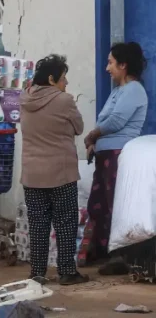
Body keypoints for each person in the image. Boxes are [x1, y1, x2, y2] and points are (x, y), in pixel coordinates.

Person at [20, 54, 89, 285]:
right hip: (61, 172)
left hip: (32, 174)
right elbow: (79, 127)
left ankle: (37, 273)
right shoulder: (64, 100)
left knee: (38, 224)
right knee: (65, 223)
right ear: (51, 79)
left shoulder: (24, 99)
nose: (66, 82)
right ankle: (67, 271)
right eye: (63, 78)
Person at [84, 42, 148, 275]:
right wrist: (94, 142)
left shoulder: (133, 90)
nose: (107, 68)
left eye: (111, 63)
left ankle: (120, 255)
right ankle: (102, 250)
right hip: (106, 154)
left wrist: (92, 135)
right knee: (98, 204)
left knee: (114, 204)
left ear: (124, 65)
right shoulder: (118, 91)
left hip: (119, 155)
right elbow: (106, 121)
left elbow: (115, 122)